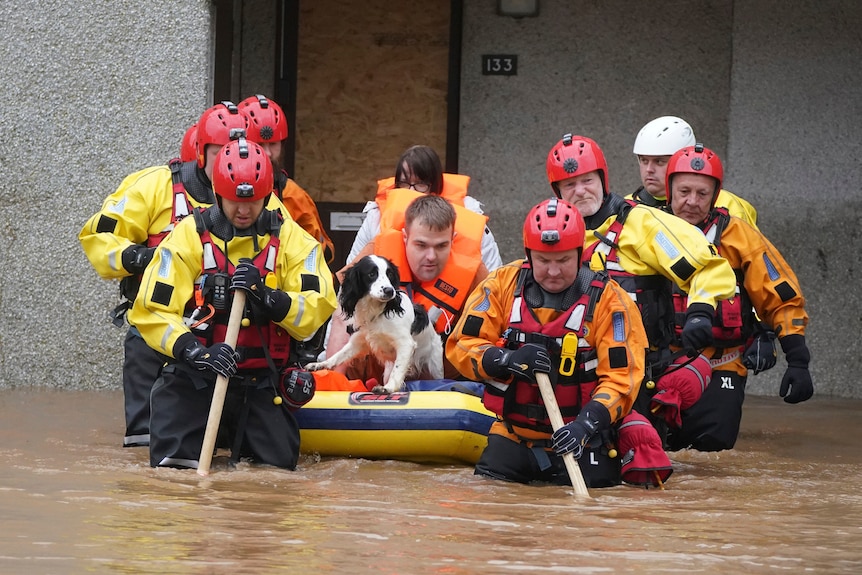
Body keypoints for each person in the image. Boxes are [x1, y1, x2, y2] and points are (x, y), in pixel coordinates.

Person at [128, 137, 337, 469]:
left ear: (268, 196)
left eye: (253, 202)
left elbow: (318, 304)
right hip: (195, 378)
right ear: (217, 194)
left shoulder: (293, 240)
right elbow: (151, 310)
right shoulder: (186, 237)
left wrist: (269, 298)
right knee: (171, 479)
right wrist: (194, 351)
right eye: (235, 201)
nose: (243, 211)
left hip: (261, 383)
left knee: (275, 480)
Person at [545, 133, 739, 446]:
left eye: (587, 181)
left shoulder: (642, 224)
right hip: (578, 373)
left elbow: (709, 266)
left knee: (636, 473)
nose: (580, 192)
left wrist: (701, 310)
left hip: (637, 374)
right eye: (570, 185)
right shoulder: (552, 234)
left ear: (603, 179)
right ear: (557, 192)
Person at [445, 198, 650, 488]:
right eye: (543, 261)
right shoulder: (501, 284)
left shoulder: (611, 302)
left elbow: (622, 379)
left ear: (580, 253)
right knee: (488, 508)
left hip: (583, 441)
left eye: (563, 260)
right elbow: (462, 344)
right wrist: (505, 360)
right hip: (514, 436)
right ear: (528, 254)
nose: (553, 272)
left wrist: (584, 426)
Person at [79, 101, 248, 448]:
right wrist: (144, 258)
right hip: (156, 329)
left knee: (224, 447)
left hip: (221, 335)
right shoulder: (154, 186)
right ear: (201, 151)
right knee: (146, 445)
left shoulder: (257, 201)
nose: (229, 161)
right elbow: (98, 237)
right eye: (220, 152)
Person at [662, 143, 813, 451]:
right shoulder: (646, 230)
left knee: (712, 455)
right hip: (660, 363)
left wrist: (798, 360)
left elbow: (780, 296)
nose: (692, 202)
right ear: (669, 190)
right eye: (684, 192)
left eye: (702, 194)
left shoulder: (739, 236)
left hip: (722, 364)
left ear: (715, 195)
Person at [327, 193, 489, 383]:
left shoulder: (475, 274)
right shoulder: (376, 254)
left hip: (440, 380)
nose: (431, 256)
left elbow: (489, 333)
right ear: (405, 237)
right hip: (375, 374)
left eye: (441, 246)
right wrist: (333, 383)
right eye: (421, 245)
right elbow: (342, 317)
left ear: (453, 240)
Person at [346, 145, 502, 272]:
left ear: (435, 187)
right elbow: (351, 276)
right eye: (404, 184)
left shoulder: (471, 222)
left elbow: (495, 281)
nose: (411, 192)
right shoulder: (376, 220)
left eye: (421, 184)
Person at [238, 94, 335, 264]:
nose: (268, 153)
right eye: (260, 145)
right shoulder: (216, 190)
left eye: (273, 144)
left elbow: (320, 253)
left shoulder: (293, 195)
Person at [629, 115, 758, 227]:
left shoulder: (726, 205)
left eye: (659, 162)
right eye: (644, 161)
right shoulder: (627, 207)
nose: (649, 170)